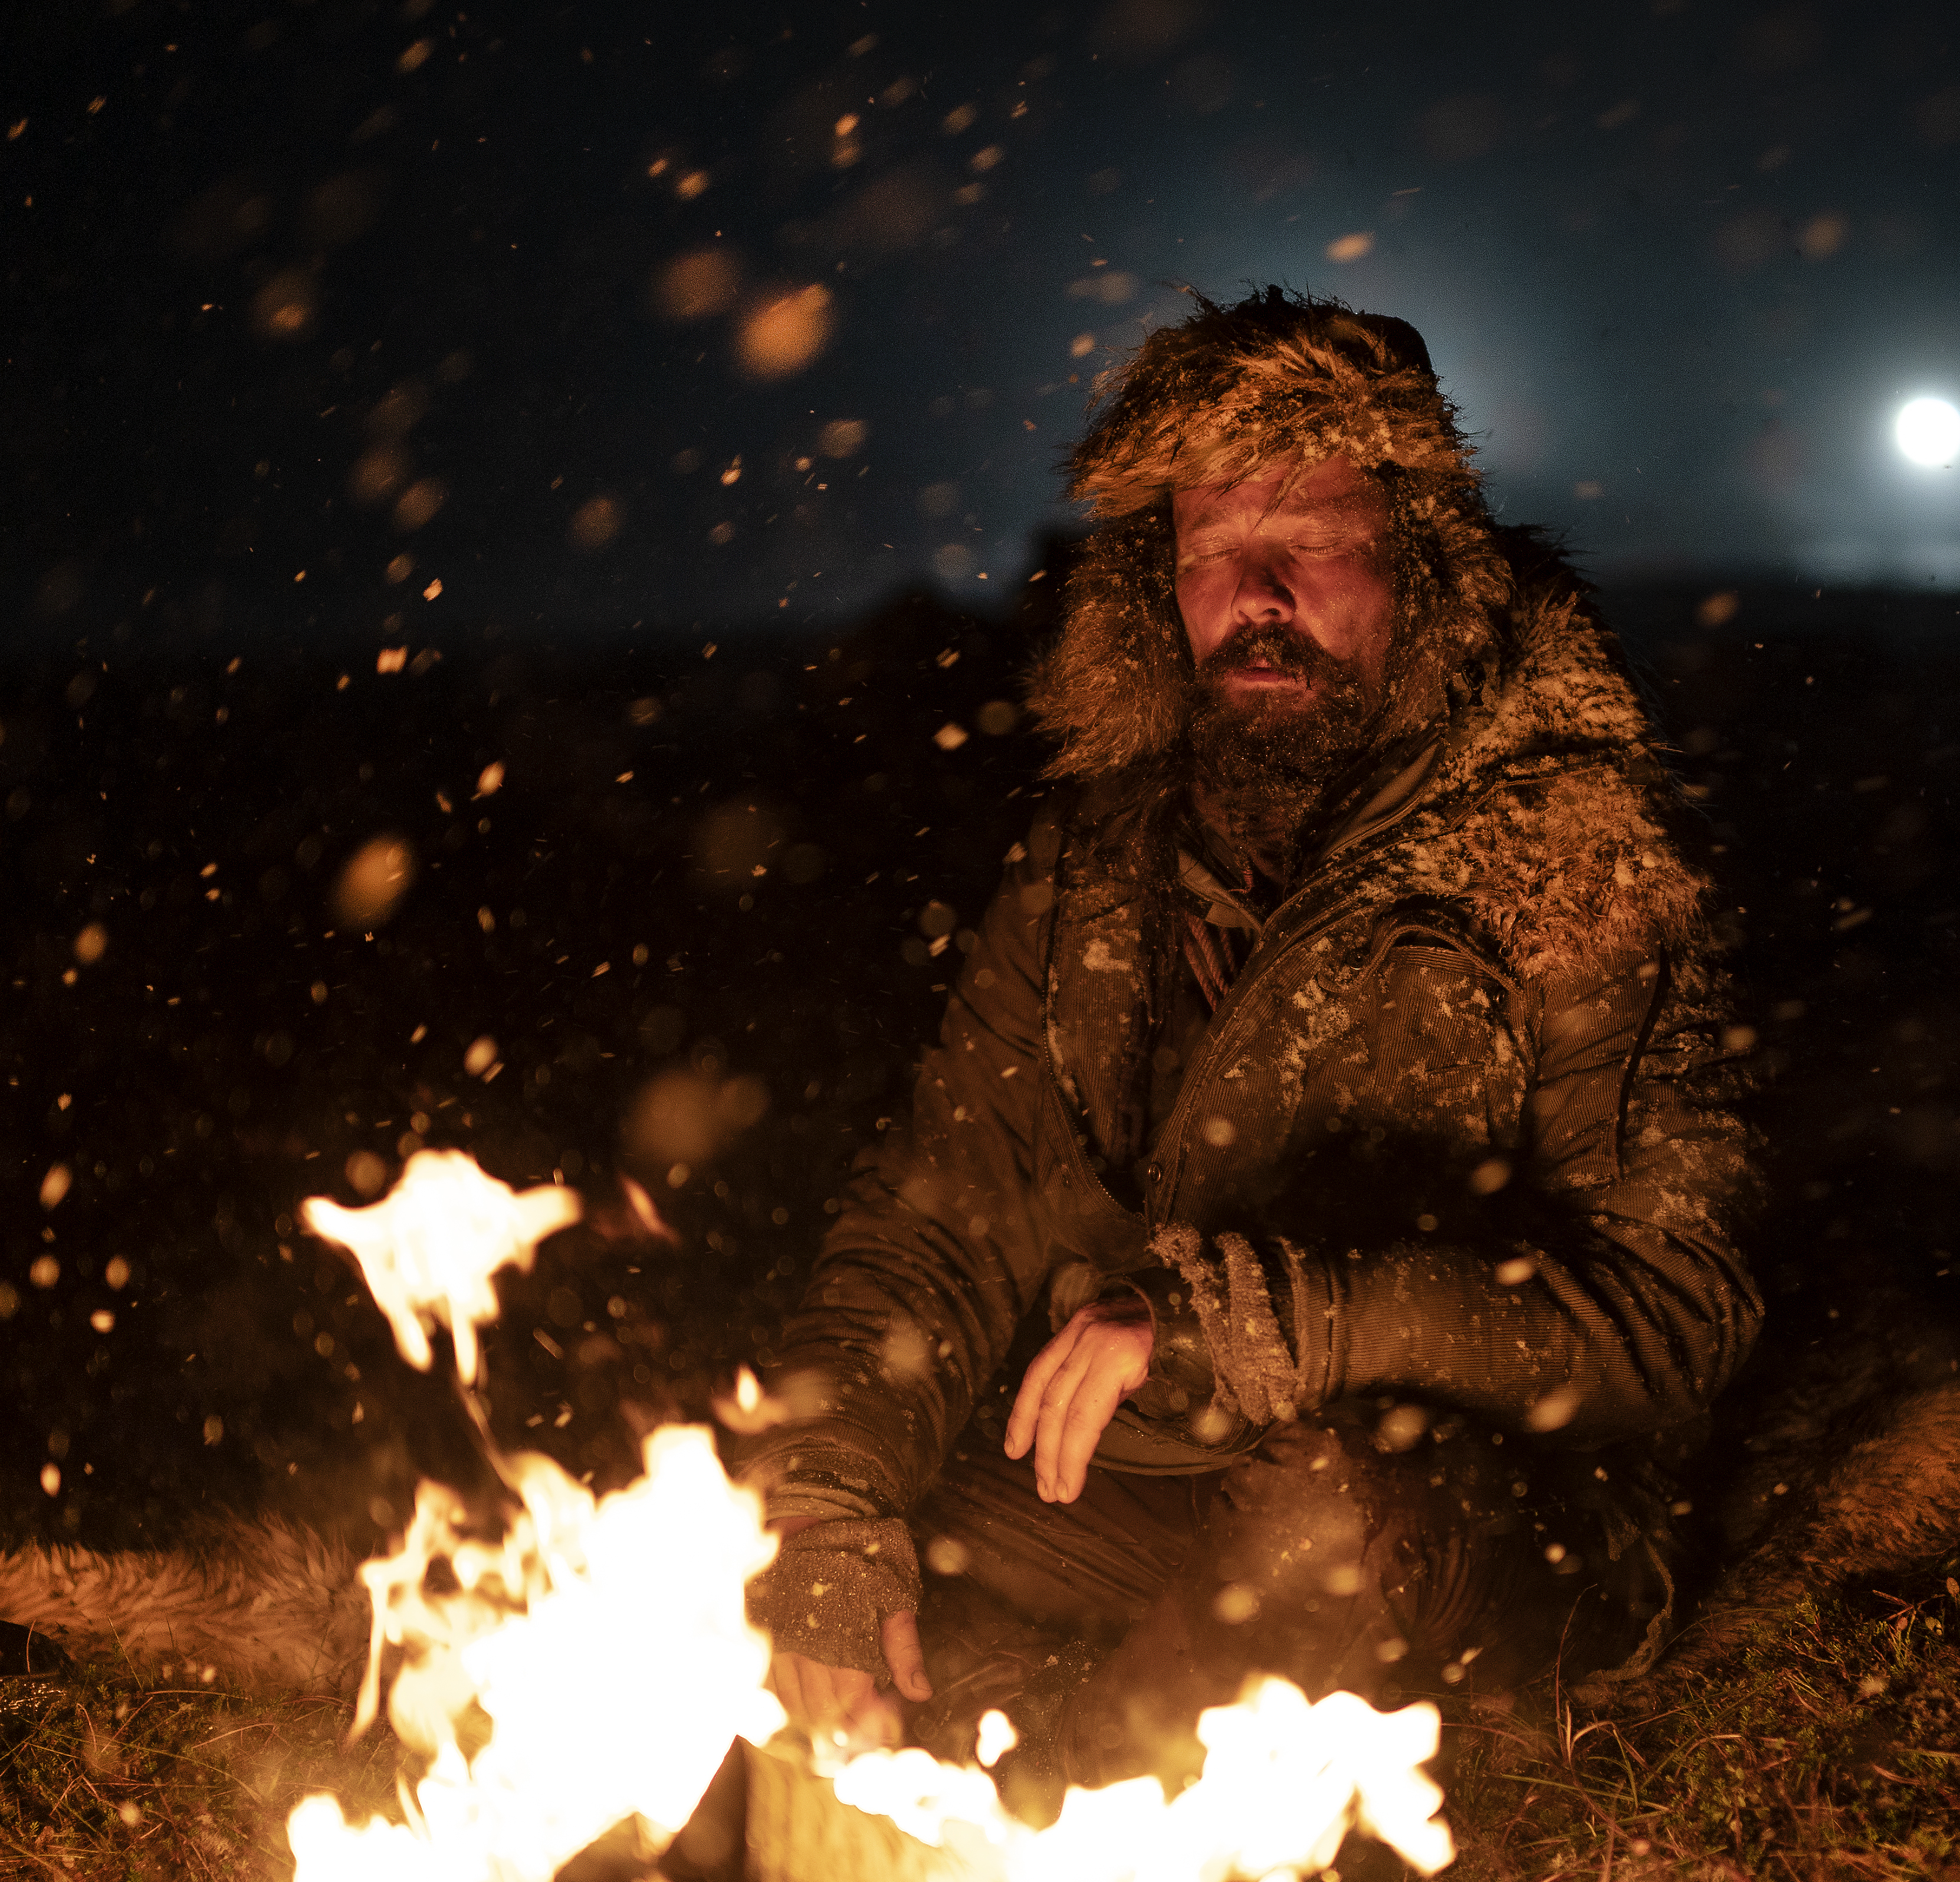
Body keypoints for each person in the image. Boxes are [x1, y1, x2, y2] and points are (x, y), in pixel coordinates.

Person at [737, 291, 1759, 1784]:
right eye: (1213, 549)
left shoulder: (1574, 858)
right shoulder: (1098, 858)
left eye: (1314, 538)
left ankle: (1024, 1852)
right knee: (767, 1501)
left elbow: (1672, 1323)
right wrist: (831, 1509)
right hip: (1130, 1483)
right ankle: (977, 1723)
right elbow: (936, 1214)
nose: (1258, 590)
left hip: (1443, 1505)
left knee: (1327, 1523)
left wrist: (1291, 1324)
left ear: (1416, 557)